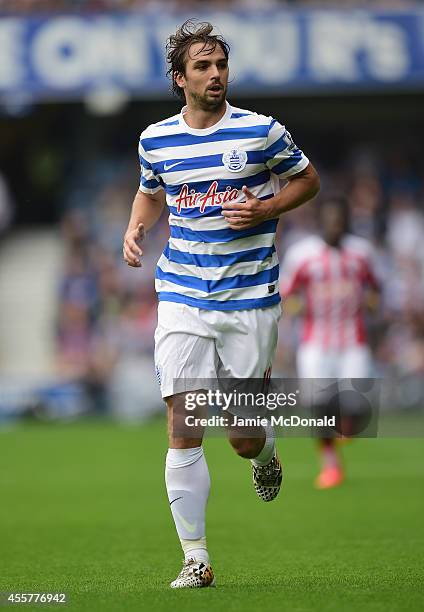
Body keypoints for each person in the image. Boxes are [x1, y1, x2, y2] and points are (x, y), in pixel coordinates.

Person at [123, 20, 320, 588]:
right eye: (203, 67)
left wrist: (265, 209)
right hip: (182, 294)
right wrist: (136, 228)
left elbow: (308, 182)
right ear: (180, 79)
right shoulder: (155, 138)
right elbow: (151, 190)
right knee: (183, 423)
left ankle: (265, 455)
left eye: (221, 65)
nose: (215, 75)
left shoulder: (261, 132)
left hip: (249, 299)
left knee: (242, 436)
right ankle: (196, 558)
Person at [280, 196, 380, 489]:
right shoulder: (303, 255)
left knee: (359, 404)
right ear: (320, 222)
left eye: (339, 220)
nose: (334, 225)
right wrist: (297, 309)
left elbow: (376, 287)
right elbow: (288, 293)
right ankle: (331, 466)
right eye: (329, 220)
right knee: (317, 405)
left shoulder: (361, 253)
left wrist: (371, 304)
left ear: (346, 221)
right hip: (316, 341)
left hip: (353, 339)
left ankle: (346, 428)